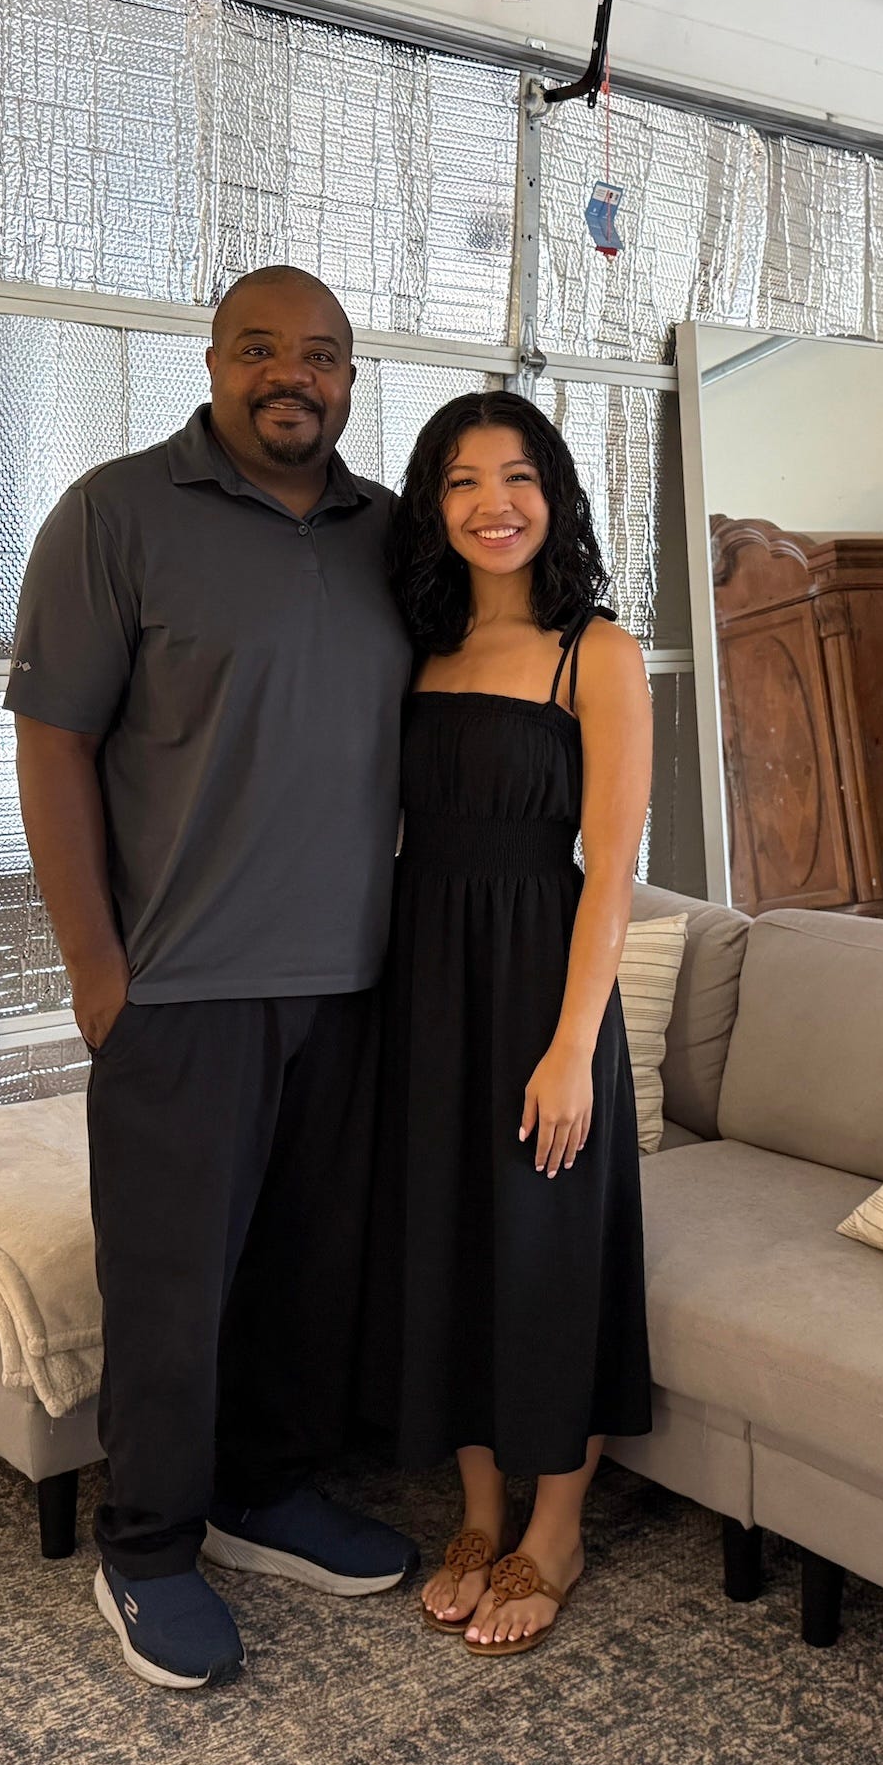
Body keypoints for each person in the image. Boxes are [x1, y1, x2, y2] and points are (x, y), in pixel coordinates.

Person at [7, 265, 419, 1693]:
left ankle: (266, 1488)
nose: (292, 375)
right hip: (181, 989)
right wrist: (96, 972)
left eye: (322, 356)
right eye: (263, 349)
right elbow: (53, 741)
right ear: (215, 361)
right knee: (173, 1288)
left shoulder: (391, 538)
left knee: (311, 1270)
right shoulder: (116, 515)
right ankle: (152, 1543)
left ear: (352, 381)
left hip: (352, 982)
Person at [370, 390, 654, 1655]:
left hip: (547, 981)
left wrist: (569, 1046)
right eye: (464, 481)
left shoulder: (594, 651)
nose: (496, 504)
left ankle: (556, 1527)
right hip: (424, 981)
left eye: (520, 476)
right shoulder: (410, 646)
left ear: (556, 496)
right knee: (447, 1238)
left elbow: (612, 864)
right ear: (433, 505)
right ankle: (478, 1506)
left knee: (546, 1248)